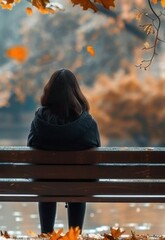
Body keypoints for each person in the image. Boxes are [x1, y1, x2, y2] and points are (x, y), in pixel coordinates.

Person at [27, 68, 101, 234]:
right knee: (80, 182)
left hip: (44, 185)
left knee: (44, 181)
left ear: (50, 91)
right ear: (76, 91)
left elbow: (31, 154)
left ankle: (46, 234)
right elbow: (95, 160)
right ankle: (75, 235)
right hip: (79, 186)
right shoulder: (88, 123)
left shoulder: (39, 121)